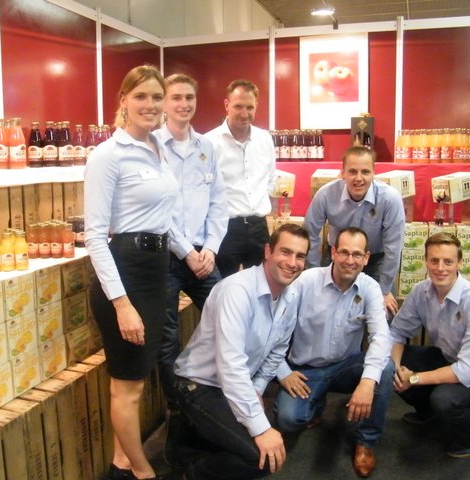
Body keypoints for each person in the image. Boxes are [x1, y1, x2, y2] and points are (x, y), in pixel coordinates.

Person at [84, 65, 178, 480]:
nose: (150, 105)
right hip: (126, 275)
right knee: (128, 385)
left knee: (135, 381)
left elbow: (163, 218)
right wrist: (121, 304)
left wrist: (188, 253)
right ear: (123, 100)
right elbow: (94, 236)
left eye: (157, 97)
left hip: (156, 273)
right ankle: (143, 472)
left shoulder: (159, 147)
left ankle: (119, 466)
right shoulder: (108, 155)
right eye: (140, 96)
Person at [173, 223, 310, 480]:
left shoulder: (291, 295)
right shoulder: (237, 291)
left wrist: (257, 388)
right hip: (198, 385)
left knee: (255, 438)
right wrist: (260, 428)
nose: (292, 263)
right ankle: (189, 473)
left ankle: (188, 445)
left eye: (300, 256)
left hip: (232, 385)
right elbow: (231, 364)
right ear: (268, 251)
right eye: (285, 252)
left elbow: (277, 351)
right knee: (261, 459)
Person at [274, 227, 394, 478]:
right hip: (305, 370)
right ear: (333, 252)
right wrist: (283, 372)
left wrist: (367, 383)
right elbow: (275, 328)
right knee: (289, 419)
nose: (350, 260)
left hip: (345, 367)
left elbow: (381, 336)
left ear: (366, 258)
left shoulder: (370, 287)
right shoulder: (306, 282)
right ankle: (316, 403)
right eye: (345, 252)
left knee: (384, 367)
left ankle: (366, 441)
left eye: (357, 254)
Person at [153, 73, 228, 466]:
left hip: (204, 255)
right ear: (164, 103)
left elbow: (219, 202)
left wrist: (210, 248)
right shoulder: (151, 146)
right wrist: (186, 252)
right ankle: (177, 410)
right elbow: (156, 210)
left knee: (228, 316)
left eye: (189, 98)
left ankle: (222, 396)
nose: (183, 104)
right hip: (168, 257)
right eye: (176, 98)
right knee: (166, 339)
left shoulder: (207, 147)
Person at [390, 232, 470, 458]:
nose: (440, 268)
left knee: (444, 398)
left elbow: (468, 370)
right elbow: (397, 332)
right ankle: (427, 413)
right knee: (394, 363)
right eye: (434, 260)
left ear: (459, 263)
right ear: (425, 261)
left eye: (448, 262)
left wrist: (413, 379)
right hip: (450, 359)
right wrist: (395, 368)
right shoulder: (421, 291)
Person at [303, 146, 405, 317]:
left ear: (374, 173)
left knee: (384, 312)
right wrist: (313, 274)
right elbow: (309, 233)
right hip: (337, 256)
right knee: (320, 309)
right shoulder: (326, 194)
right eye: (352, 172)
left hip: (375, 259)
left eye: (365, 172)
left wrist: (385, 290)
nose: (359, 178)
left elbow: (394, 247)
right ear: (342, 173)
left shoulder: (390, 198)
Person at [204, 79, 276, 278]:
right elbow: (203, 188)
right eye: (238, 106)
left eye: (249, 107)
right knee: (223, 286)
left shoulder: (265, 139)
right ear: (227, 105)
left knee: (262, 284)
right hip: (225, 229)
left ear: (256, 106)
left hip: (259, 227)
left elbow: (270, 178)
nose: (244, 113)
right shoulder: (209, 142)